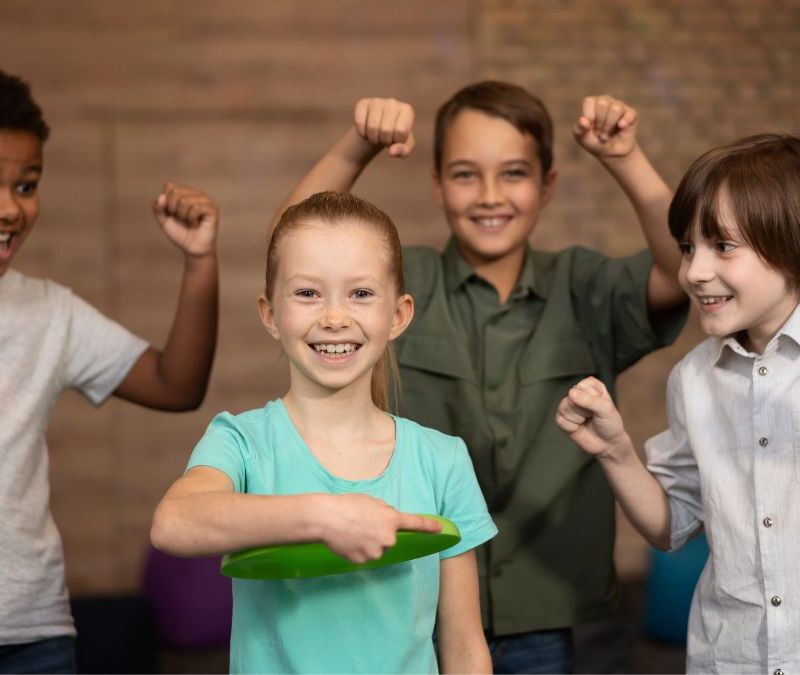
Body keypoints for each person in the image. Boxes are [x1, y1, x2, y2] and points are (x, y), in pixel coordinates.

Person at [267, 82, 688, 672]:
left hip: (560, 617)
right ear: (437, 186)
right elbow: (291, 249)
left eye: (513, 173)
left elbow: (685, 267)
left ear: (547, 185)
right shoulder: (401, 285)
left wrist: (625, 159)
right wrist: (356, 147)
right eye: (466, 175)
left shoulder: (586, 286)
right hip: (411, 608)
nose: (490, 196)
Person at [151, 191, 498, 674]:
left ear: (397, 315)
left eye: (360, 293)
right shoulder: (240, 441)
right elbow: (173, 523)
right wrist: (324, 518)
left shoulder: (443, 460)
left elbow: (464, 648)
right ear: (270, 314)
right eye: (308, 293)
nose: (334, 318)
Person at [0, 70, 220, 674]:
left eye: (26, 184)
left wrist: (199, 263)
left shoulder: (50, 313)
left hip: (31, 637)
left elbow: (177, 385)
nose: (10, 208)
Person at [556, 133, 800, 674]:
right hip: (729, 659)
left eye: (723, 246)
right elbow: (671, 527)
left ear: (789, 244)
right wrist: (616, 451)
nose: (694, 271)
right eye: (688, 247)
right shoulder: (694, 379)